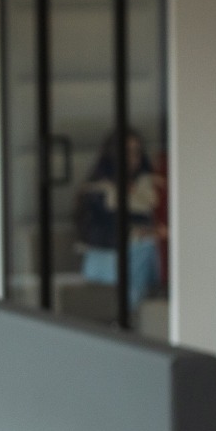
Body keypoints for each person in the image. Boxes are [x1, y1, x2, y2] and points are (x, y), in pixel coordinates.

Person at [74, 128, 165, 312]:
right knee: (145, 247)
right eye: (126, 152)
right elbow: (92, 233)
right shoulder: (96, 191)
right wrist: (134, 234)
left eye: (136, 152)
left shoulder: (148, 186)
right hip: (106, 257)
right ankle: (128, 313)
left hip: (143, 261)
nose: (132, 158)